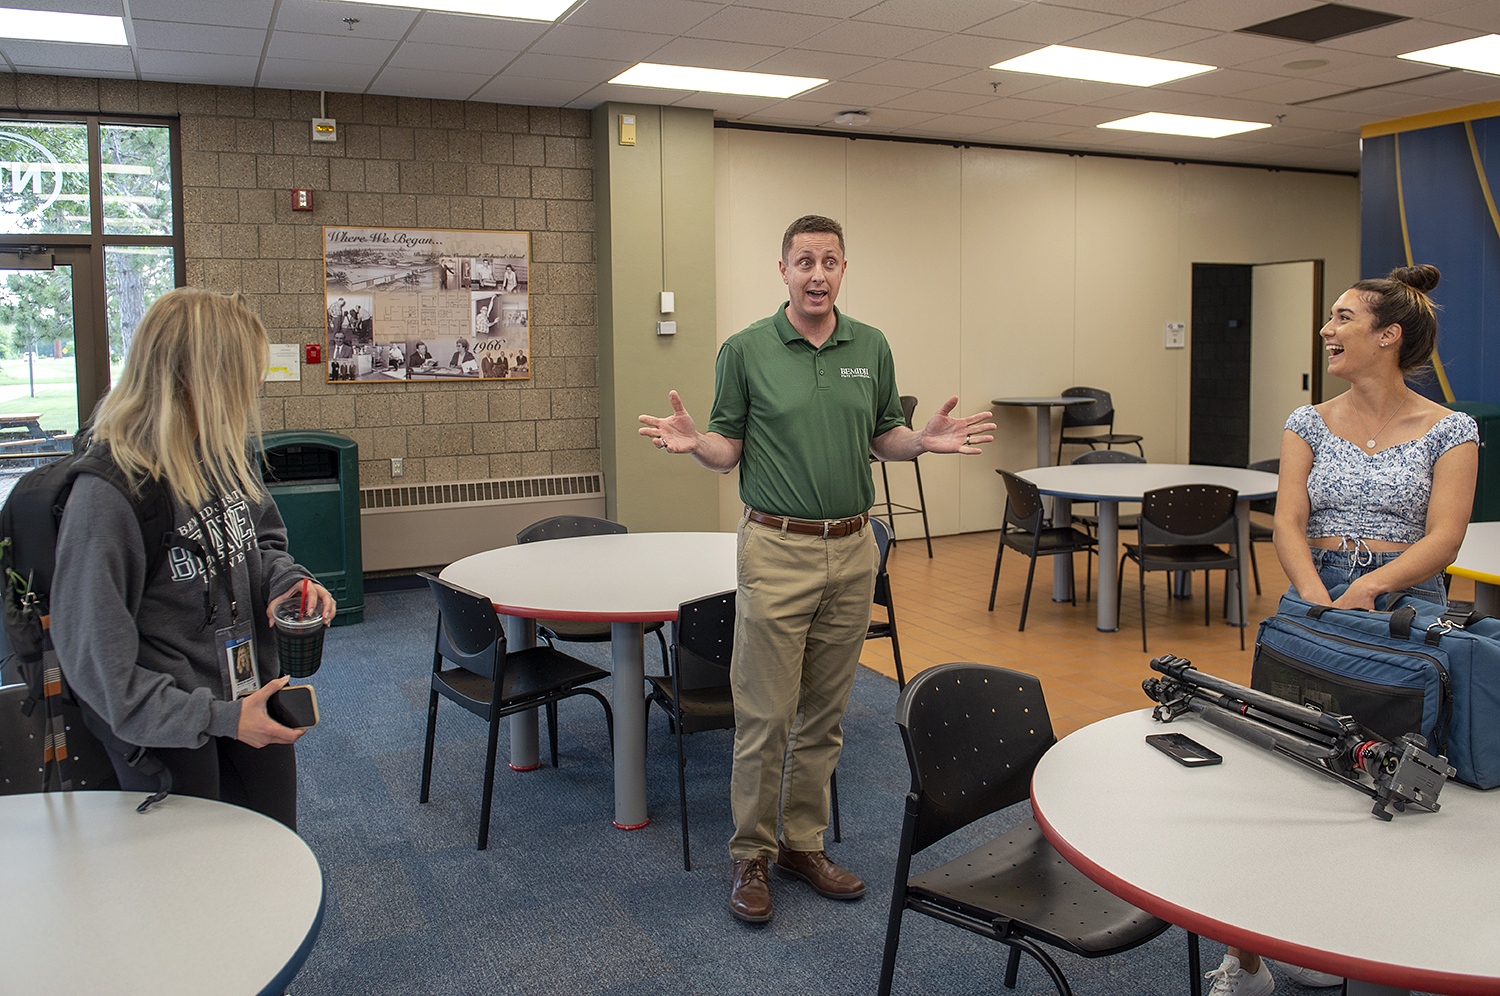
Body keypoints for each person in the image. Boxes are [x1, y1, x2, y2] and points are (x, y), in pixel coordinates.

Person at [638, 215, 995, 924]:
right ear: (783, 270)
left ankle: (803, 844)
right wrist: (696, 443)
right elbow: (727, 449)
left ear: (843, 269)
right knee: (764, 716)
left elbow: (883, 436)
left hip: (854, 549)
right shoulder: (745, 350)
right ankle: (751, 855)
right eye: (804, 261)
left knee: (825, 716)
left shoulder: (872, 346)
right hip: (777, 548)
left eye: (830, 261)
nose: (818, 274)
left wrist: (920, 442)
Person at [1207, 264, 1478, 996]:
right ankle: (1257, 955)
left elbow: (1445, 538)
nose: (1327, 330)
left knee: (1385, 773)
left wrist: (1367, 588)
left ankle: (1375, 936)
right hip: (1313, 599)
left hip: (1403, 608)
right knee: (1288, 770)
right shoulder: (1307, 422)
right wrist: (1317, 597)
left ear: (1388, 337)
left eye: (1343, 319)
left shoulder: (1450, 430)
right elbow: (1288, 522)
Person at [52, 288, 338, 832]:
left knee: (273, 855)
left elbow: (263, 543)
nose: (258, 385)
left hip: (251, 694)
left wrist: (285, 583)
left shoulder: (220, 454)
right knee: (199, 893)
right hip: (172, 732)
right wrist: (218, 718)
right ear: (202, 380)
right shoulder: (108, 496)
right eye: (248, 372)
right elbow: (101, 673)